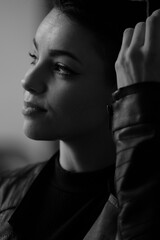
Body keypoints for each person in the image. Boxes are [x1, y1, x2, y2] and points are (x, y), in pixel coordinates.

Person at [0, 0, 159, 239]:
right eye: (34, 56)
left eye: (62, 68)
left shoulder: (147, 205)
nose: (28, 80)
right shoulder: (4, 191)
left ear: (123, 84)